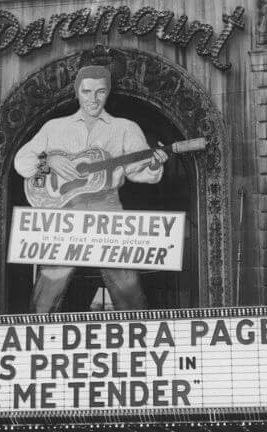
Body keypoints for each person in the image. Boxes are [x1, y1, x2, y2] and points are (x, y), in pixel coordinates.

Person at [13, 64, 169, 313]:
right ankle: (35, 335)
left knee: (124, 278)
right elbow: (22, 162)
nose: (93, 99)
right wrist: (48, 160)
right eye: (87, 91)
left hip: (106, 207)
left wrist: (152, 165)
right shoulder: (55, 128)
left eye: (100, 91)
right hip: (63, 211)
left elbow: (137, 172)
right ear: (77, 92)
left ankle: (141, 335)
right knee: (51, 279)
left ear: (108, 93)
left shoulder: (125, 128)